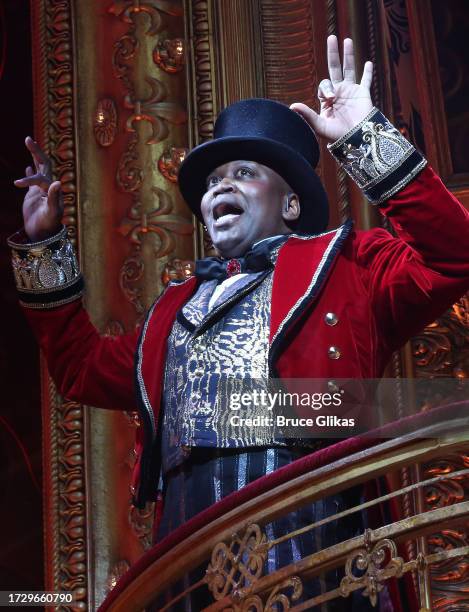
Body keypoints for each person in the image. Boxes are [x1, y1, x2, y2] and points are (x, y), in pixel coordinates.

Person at [8, 35, 469, 610]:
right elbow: (78, 368)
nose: (218, 187)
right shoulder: (169, 315)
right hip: (189, 552)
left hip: (318, 534)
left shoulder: (349, 267)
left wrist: (362, 136)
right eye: (210, 181)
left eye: (243, 172)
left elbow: (455, 254)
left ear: (291, 203)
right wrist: (45, 243)